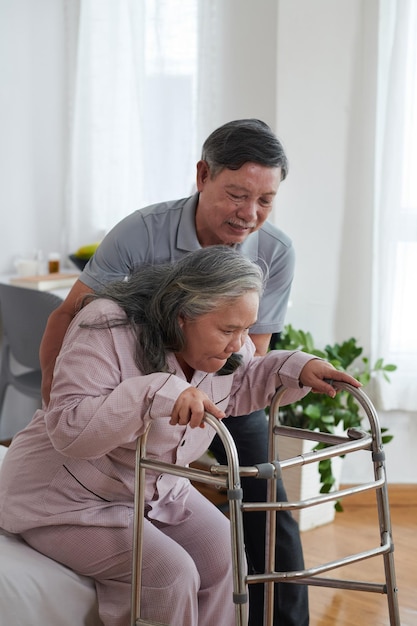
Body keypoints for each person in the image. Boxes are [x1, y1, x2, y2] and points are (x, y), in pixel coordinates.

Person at [0, 247, 360, 626]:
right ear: (182, 315)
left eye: (245, 329)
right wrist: (155, 392)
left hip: (155, 488)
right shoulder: (108, 326)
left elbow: (239, 386)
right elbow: (69, 429)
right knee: (169, 574)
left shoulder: (229, 347)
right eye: (227, 330)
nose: (240, 345)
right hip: (66, 496)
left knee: (226, 550)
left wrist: (296, 368)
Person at [41, 119, 298, 624]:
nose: (250, 215)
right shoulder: (142, 234)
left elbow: (247, 352)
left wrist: (209, 399)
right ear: (202, 175)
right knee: (108, 464)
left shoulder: (275, 252)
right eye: (236, 195)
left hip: (218, 383)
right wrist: (57, 400)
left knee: (266, 501)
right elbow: (69, 315)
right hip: (129, 387)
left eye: (265, 201)